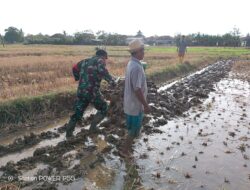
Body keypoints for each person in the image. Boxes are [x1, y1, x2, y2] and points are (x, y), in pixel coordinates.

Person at [66, 49, 116, 138]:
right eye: (105, 58)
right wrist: (112, 82)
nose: (105, 60)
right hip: (92, 92)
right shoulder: (100, 61)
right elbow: (103, 72)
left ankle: (68, 134)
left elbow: (74, 68)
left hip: (81, 91)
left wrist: (79, 78)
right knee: (104, 107)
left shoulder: (84, 61)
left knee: (78, 112)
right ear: (103, 56)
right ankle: (93, 128)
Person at [122, 39, 150, 156]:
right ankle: (125, 151)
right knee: (134, 130)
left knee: (130, 128)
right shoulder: (137, 68)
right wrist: (145, 104)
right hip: (135, 105)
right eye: (142, 50)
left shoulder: (131, 63)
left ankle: (127, 147)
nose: (144, 52)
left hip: (129, 103)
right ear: (137, 51)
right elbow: (137, 89)